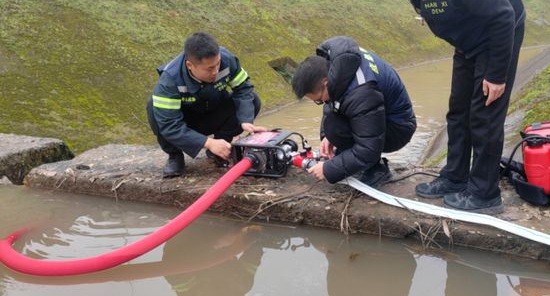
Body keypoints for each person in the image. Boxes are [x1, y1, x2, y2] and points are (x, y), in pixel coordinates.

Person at [354, 0, 525, 214]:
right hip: (468, 37)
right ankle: (455, 178)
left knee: (484, 114)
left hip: (498, 34)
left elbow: (502, 16)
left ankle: (485, 194)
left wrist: (497, 74)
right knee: (458, 110)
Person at [291, 36, 416, 187]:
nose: (322, 103)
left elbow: (368, 149)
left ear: (326, 83)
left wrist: (329, 169)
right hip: (379, 116)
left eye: (319, 100)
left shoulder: (362, 91)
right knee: (332, 128)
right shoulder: (337, 64)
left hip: (399, 128)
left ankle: (377, 170)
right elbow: (333, 101)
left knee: (339, 130)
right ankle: (353, 160)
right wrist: (327, 137)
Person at [147, 32, 266, 178]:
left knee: (253, 100)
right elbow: (170, 125)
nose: (215, 71)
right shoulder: (170, 80)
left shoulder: (228, 60)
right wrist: (207, 142)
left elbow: (244, 89)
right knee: (154, 108)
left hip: (213, 112)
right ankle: (175, 156)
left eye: (217, 64)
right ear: (190, 65)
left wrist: (245, 120)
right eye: (209, 69)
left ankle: (220, 147)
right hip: (186, 123)